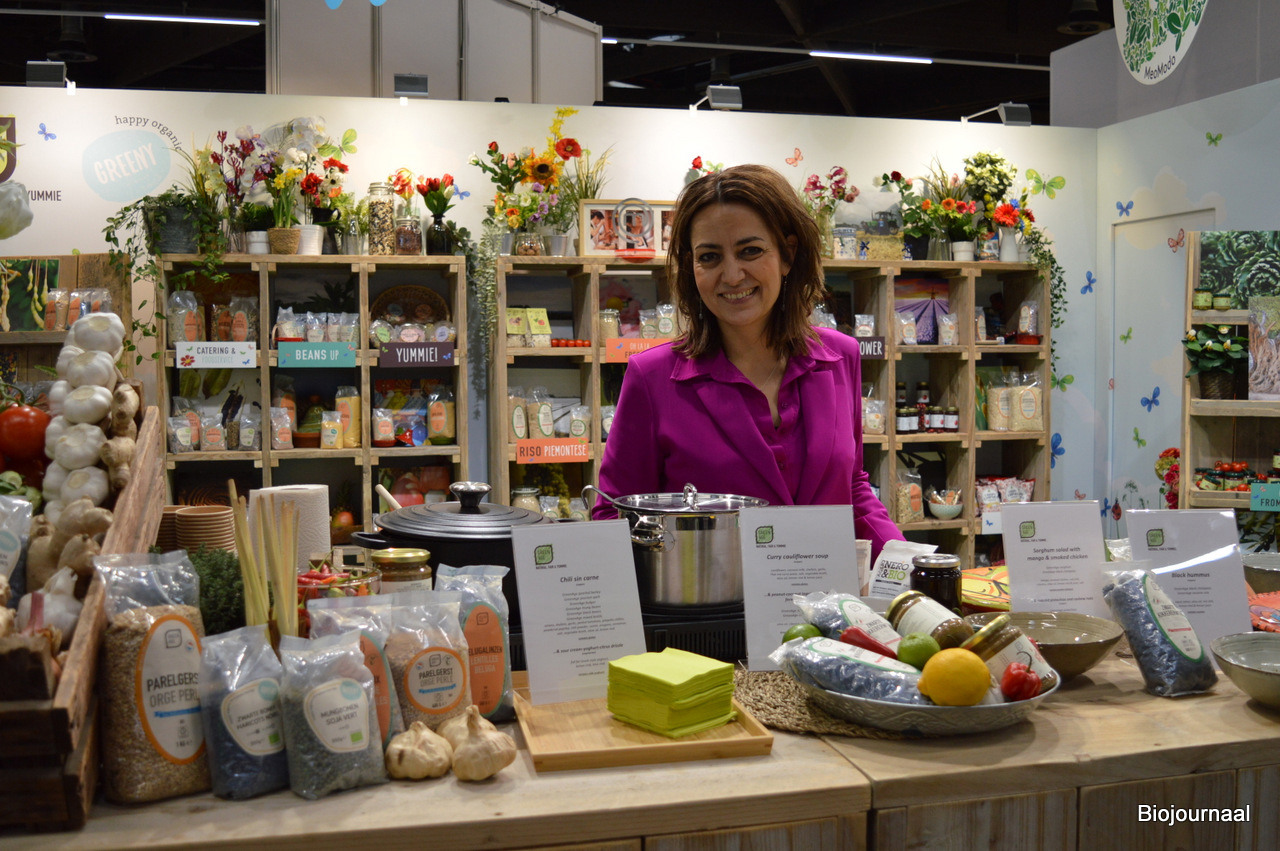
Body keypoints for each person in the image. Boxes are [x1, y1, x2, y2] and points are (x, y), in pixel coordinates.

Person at [591, 164, 904, 559]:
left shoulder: (841, 356)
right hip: (708, 596)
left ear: (788, 254)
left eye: (750, 251)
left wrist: (908, 564)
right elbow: (613, 513)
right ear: (691, 267)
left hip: (827, 596)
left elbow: (853, 487)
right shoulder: (653, 377)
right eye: (709, 257)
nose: (732, 275)